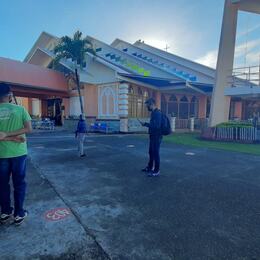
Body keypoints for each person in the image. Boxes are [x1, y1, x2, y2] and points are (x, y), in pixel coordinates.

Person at [0, 82, 32, 225]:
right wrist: (13, 136)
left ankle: (5, 211)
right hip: (19, 153)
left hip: (1, 154)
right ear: (9, 95)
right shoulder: (20, 109)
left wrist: (6, 135)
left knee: (2, 184)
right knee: (19, 183)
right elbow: (28, 128)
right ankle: (19, 213)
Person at [140, 98, 162, 177]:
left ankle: (156, 170)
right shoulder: (153, 113)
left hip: (157, 137)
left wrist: (146, 124)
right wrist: (146, 124)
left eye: (147, 106)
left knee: (156, 153)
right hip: (152, 136)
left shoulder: (157, 113)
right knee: (151, 152)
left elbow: (157, 126)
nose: (147, 108)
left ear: (152, 104)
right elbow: (154, 125)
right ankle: (150, 167)